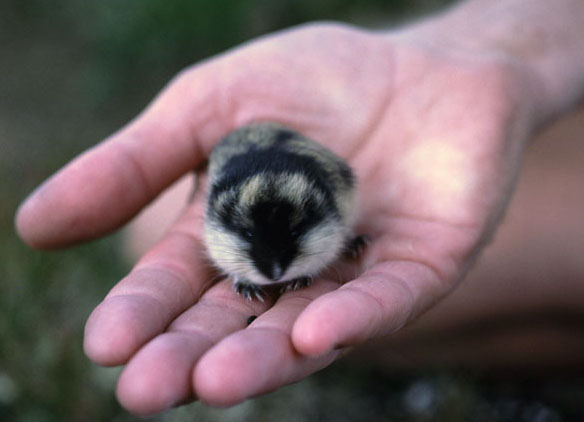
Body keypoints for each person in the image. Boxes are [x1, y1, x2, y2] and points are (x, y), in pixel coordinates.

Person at [15, 0, 584, 415]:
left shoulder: (327, 200)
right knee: (156, 224)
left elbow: (338, 192)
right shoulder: (239, 204)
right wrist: (495, 51)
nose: (274, 270)